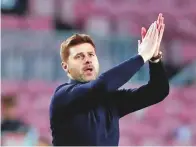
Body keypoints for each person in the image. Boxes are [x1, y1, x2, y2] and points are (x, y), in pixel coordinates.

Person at [50, 13, 169, 146]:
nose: (87, 59)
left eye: (91, 55)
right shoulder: (63, 95)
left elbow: (158, 91)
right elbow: (101, 85)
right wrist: (141, 57)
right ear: (66, 66)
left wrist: (154, 58)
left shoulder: (110, 100)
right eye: (79, 56)